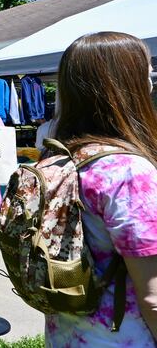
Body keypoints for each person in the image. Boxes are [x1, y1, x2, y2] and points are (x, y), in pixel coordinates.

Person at [46, 32, 157, 346]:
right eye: (146, 75)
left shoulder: (60, 156)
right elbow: (153, 298)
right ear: (126, 86)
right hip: (124, 336)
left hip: (66, 334)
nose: (150, 84)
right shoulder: (128, 172)